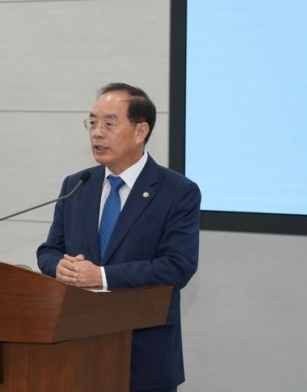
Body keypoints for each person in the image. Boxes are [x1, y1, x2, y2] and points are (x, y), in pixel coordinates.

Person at [37, 82, 200, 392]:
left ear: (140, 131)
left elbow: (177, 267)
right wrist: (58, 266)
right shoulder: (77, 184)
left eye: (109, 124)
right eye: (93, 122)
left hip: (143, 356)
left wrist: (101, 276)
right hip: (75, 350)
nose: (97, 133)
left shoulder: (177, 192)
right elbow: (49, 249)